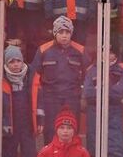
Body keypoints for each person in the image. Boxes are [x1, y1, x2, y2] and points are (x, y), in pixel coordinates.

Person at [30, 16, 87, 144]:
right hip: (50, 98)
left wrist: (83, 96)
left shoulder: (81, 51)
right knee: (50, 131)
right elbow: (34, 78)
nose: (64, 35)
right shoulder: (43, 50)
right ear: (55, 33)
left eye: (67, 32)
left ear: (71, 33)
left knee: (72, 130)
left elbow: (88, 77)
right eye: (61, 32)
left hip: (72, 97)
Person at [84, 50, 123, 157]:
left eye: (111, 52)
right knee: (93, 147)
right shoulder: (91, 69)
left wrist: (99, 89)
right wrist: (110, 90)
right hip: (94, 111)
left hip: (114, 111)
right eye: (104, 51)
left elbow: (120, 92)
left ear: (116, 54)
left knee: (116, 148)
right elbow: (88, 93)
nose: (107, 55)